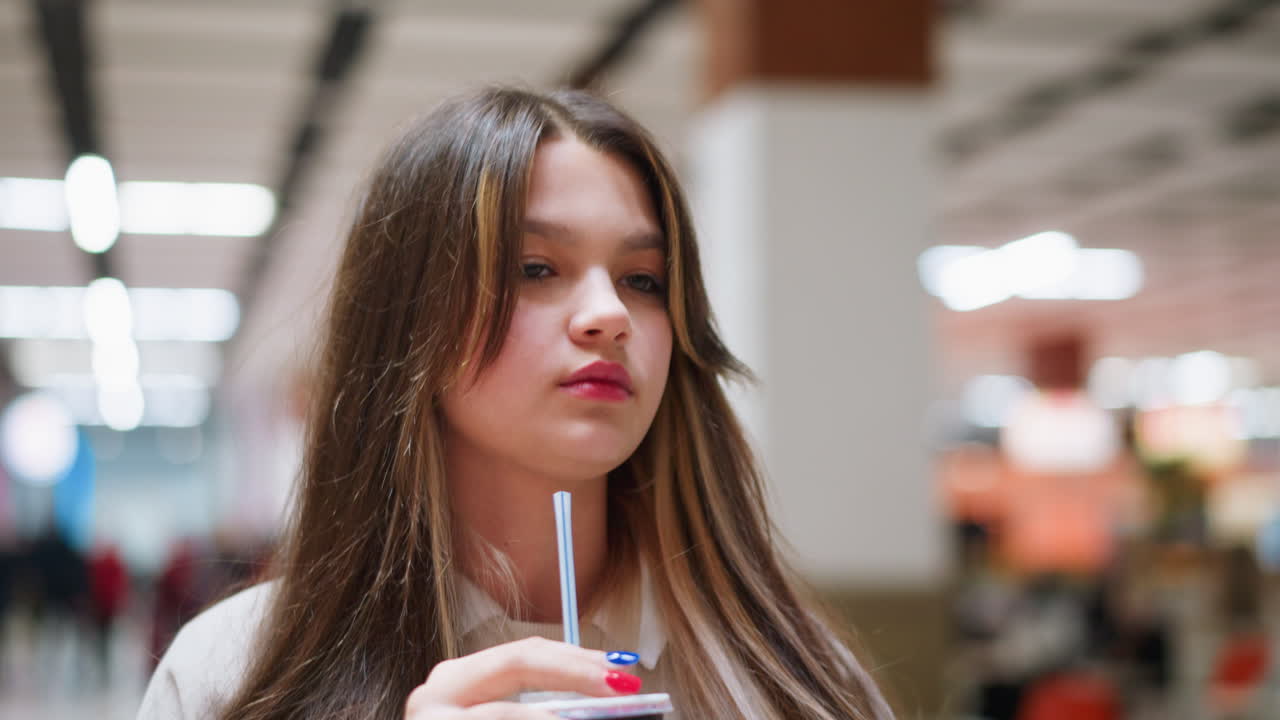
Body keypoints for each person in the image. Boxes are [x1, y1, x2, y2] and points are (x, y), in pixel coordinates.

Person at [137, 86, 894, 720]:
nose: (610, 313)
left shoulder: (799, 684)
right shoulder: (228, 675)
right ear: (410, 319)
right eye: (536, 268)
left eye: (644, 280)